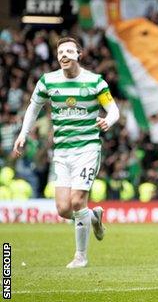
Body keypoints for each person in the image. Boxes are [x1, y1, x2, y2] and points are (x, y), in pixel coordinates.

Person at [13, 37, 120, 268]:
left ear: (79, 54)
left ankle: (80, 256)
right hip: (61, 152)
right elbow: (34, 107)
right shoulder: (48, 81)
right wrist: (23, 133)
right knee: (63, 209)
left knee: (77, 200)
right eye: (60, 51)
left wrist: (108, 121)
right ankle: (93, 217)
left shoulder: (95, 82)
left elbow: (113, 110)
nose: (64, 55)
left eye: (69, 51)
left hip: (88, 148)